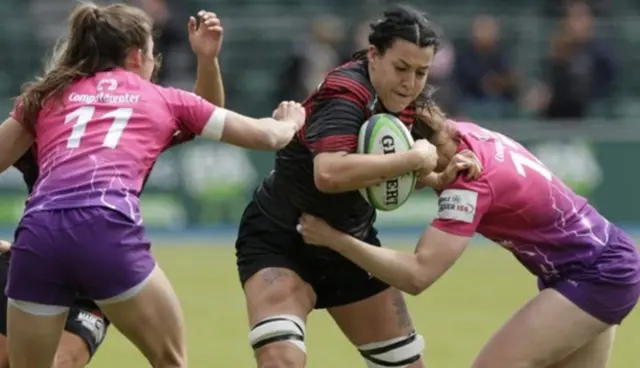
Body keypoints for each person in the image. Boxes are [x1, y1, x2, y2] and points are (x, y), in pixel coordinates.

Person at [0, 3, 306, 368]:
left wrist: (206, 61)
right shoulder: (162, 98)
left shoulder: (46, 96)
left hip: (38, 236)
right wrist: (290, 121)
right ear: (135, 56)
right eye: (152, 52)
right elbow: (264, 136)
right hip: (106, 229)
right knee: (170, 360)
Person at [297, 106, 640, 368]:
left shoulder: (469, 185)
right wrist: (427, 176)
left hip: (596, 274)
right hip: (598, 260)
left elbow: (418, 275)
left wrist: (334, 238)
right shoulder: (465, 133)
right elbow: (416, 178)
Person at [235, 4, 481, 367]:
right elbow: (330, 174)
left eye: (421, 72)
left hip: (350, 244)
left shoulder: (407, 100)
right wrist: (412, 160)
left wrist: (439, 177)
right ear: (374, 56)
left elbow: (388, 175)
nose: (410, 83)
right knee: (281, 361)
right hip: (283, 237)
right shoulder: (345, 94)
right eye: (401, 68)